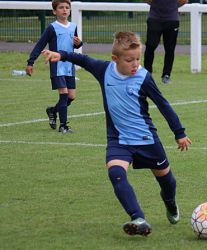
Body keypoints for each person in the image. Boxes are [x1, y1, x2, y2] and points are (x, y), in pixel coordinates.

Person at [41, 31, 192, 236]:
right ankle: (138, 218)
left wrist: (179, 132)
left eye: (138, 58)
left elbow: (163, 105)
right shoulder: (104, 71)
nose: (135, 64)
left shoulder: (144, 77)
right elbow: (84, 60)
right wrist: (62, 55)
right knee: (116, 173)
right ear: (115, 59)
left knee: (167, 182)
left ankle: (170, 204)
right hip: (118, 140)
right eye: (130, 60)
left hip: (146, 138)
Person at [26, 0, 83, 133]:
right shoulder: (51, 27)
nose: (64, 10)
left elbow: (75, 45)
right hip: (57, 65)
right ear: (54, 11)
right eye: (61, 7)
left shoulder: (73, 26)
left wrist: (79, 44)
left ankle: (52, 110)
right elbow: (40, 45)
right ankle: (63, 126)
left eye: (67, 7)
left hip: (69, 65)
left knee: (71, 97)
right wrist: (30, 62)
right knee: (63, 94)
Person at [143, 0, 188, 84]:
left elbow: (184, 1)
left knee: (170, 49)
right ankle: (147, 73)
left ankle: (166, 75)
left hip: (172, 20)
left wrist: (173, 6)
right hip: (154, 19)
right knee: (150, 46)